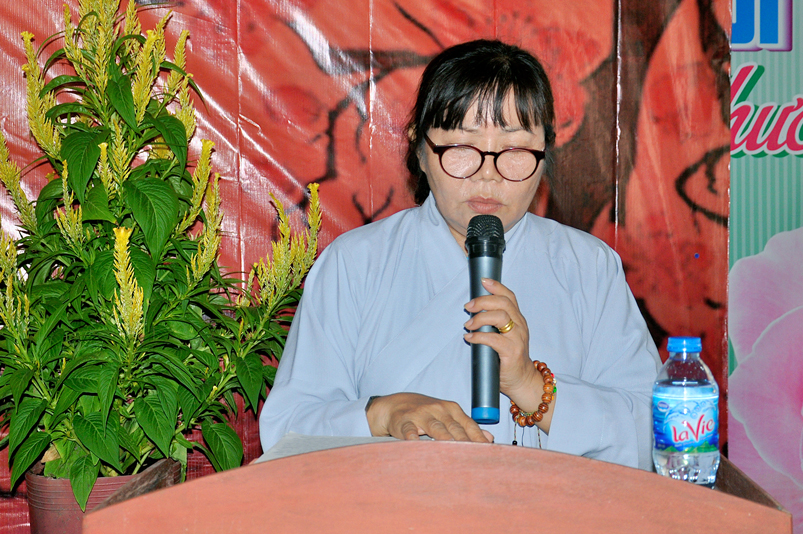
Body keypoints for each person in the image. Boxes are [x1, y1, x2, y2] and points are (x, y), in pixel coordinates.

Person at [259, 39, 661, 470]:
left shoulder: (588, 267)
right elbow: (287, 428)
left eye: (515, 151)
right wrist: (381, 413)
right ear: (419, 148)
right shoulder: (355, 264)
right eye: (462, 149)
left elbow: (654, 432)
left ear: (546, 153)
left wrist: (530, 385)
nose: (487, 176)